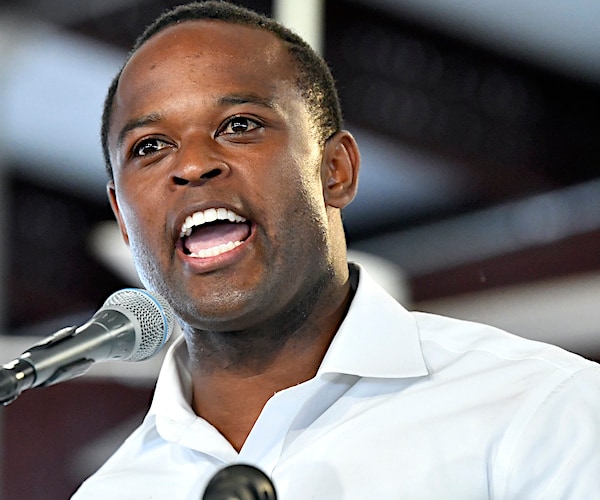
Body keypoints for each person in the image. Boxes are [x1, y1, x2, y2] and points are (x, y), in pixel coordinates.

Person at [73, 2, 600, 498]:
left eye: (239, 126)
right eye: (150, 147)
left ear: (336, 171)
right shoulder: (115, 490)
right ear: (122, 217)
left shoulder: (538, 408)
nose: (192, 166)